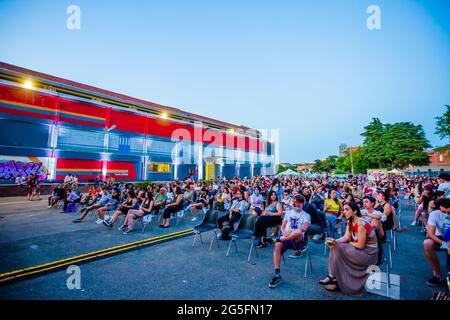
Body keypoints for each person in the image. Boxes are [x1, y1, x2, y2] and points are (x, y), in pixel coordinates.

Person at [320, 202, 378, 295]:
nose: (344, 212)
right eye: (343, 209)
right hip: (360, 249)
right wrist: (334, 240)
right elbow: (346, 237)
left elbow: (360, 246)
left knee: (338, 248)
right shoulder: (350, 221)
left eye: (347, 210)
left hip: (368, 253)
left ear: (355, 211)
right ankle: (334, 276)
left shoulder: (360, 224)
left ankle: (334, 277)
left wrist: (346, 243)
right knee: (335, 246)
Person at [268, 195, 311, 288]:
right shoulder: (288, 213)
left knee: (299, 231)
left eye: (298, 202)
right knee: (277, 245)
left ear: (302, 204)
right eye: (294, 202)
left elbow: (304, 228)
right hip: (285, 237)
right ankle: (277, 274)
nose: (295, 204)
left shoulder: (306, 215)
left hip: (297, 240)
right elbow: (282, 227)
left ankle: (275, 239)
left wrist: (290, 232)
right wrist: (284, 232)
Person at [423, 198, 450, 287]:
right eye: (443, 212)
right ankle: (438, 275)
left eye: (449, 212)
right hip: (440, 238)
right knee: (427, 244)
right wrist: (444, 244)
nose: (446, 214)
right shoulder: (434, 214)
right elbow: (431, 234)